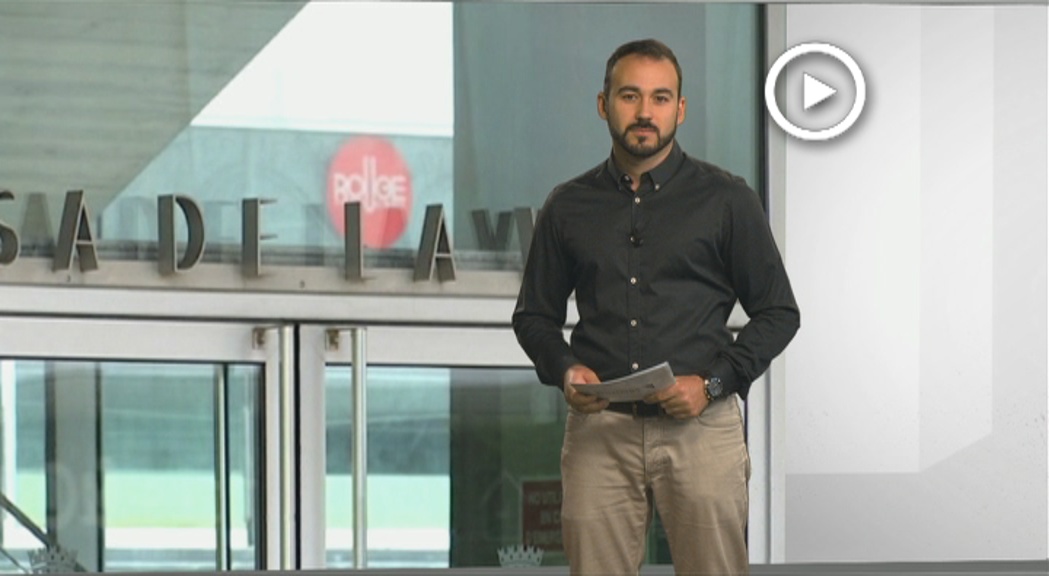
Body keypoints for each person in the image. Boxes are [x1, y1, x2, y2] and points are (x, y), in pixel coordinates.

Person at [511, 38, 800, 575]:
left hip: (703, 426)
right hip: (600, 432)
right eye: (630, 96)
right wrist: (565, 370)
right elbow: (533, 317)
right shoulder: (568, 205)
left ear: (680, 109)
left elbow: (779, 312)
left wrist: (712, 384)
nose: (645, 112)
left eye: (660, 98)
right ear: (604, 104)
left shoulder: (726, 200)